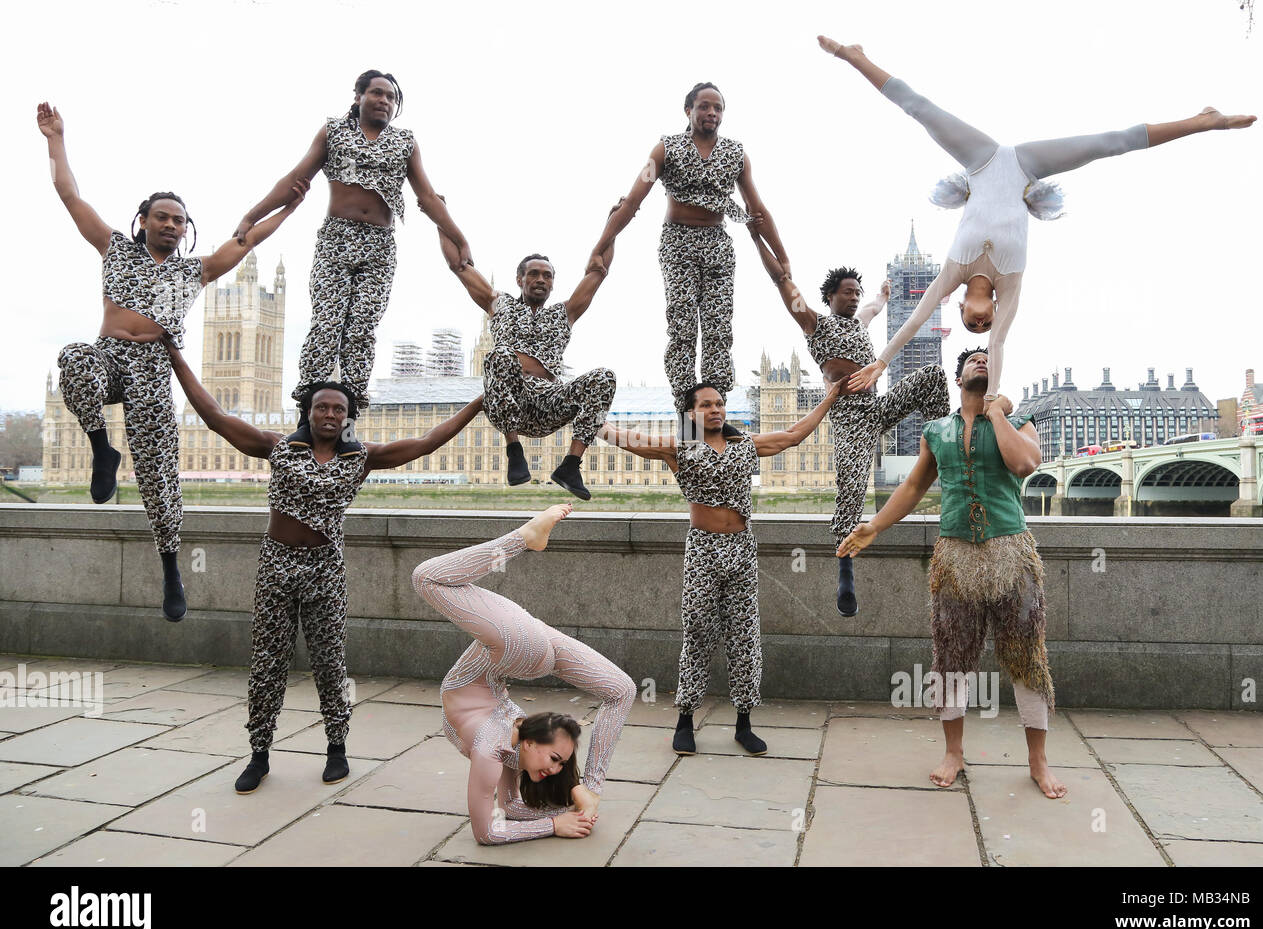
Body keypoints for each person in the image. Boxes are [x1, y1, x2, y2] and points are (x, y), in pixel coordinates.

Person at [816, 36, 1257, 407]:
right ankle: (1205, 123)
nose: (984, 323)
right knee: (1111, 143)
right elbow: (998, 346)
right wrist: (994, 395)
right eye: (985, 323)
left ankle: (854, 55)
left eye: (975, 322)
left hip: (981, 159)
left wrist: (882, 362)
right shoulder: (1009, 282)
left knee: (920, 108)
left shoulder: (953, 271)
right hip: (1027, 168)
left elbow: (913, 322)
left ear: (964, 307)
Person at [166, 344, 484, 792]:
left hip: (324, 569)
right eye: (322, 407)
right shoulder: (276, 446)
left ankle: (337, 747)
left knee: (329, 661)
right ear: (308, 412)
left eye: (339, 408)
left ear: (349, 416)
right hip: (276, 564)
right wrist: (176, 357)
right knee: (266, 662)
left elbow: (427, 442)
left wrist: (478, 402)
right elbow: (216, 416)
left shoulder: (362, 457)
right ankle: (259, 754)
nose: (330, 414)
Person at [38, 101, 306, 622]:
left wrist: (288, 210)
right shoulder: (115, 248)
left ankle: (170, 569)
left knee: (161, 477)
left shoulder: (193, 272)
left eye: (179, 220)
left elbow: (245, 240)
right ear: (143, 220)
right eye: (162, 216)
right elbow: (68, 194)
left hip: (153, 371)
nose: (171, 225)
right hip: (110, 356)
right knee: (73, 359)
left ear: (186, 229)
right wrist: (55, 138)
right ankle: (101, 449)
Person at [838, 347, 1066, 798]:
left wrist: (996, 411)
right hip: (955, 557)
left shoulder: (1020, 424)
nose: (981, 362)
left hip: (1011, 553)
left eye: (989, 359)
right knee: (952, 660)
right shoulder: (935, 431)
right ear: (957, 375)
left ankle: (1038, 761)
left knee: (1027, 660)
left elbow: (1024, 464)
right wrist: (874, 527)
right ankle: (953, 753)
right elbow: (914, 486)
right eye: (973, 359)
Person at [599, 379, 844, 756]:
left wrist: (829, 396)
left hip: (742, 549)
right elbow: (625, 436)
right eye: (706, 405)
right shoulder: (679, 448)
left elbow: (794, 435)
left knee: (745, 635)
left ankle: (744, 723)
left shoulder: (745, 446)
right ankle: (685, 720)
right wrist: (585, 415)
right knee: (698, 631)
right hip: (703, 549)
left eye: (719, 404)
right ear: (690, 414)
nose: (715, 410)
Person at [234, 69, 472, 446]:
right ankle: (305, 417)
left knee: (361, 331)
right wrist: (251, 215)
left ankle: (348, 425)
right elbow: (296, 178)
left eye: (391, 97)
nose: (384, 101)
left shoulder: (405, 144)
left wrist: (459, 237)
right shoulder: (333, 133)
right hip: (336, 239)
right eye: (377, 94)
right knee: (326, 326)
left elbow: (427, 199)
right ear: (358, 96)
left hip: (379, 245)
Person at [749, 225, 950, 616]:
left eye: (857, 293)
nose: (855, 298)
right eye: (848, 292)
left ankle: (945, 447)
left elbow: (874, 305)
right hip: (851, 418)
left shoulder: (862, 322)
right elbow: (781, 281)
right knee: (852, 487)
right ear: (830, 296)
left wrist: (882, 296)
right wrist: (759, 239)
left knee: (933, 377)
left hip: (878, 408)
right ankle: (845, 569)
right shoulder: (815, 324)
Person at [411, 505, 636, 844]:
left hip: (518, 646)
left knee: (425, 578)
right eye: (558, 761)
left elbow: (489, 829)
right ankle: (594, 789)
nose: (557, 770)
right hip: (521, 645)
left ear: (529, 742)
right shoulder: (507, 744)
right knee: (623, 690)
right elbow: (508, 811)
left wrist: (569, 806)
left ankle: (523, 538)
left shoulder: (494, 747)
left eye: (558, 761)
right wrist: (560, 816)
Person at [586, 82, 790, 430]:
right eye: (705, 107)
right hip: (678, 243)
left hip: (718, 245)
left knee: (718, 330)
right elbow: (632, 202)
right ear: (688, 111)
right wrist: (600, 245)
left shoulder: (736, 155)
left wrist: (783, 259)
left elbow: (757, 210)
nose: (712, 113)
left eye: (718, 108)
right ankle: (687, 416)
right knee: (682, 330)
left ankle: (714, 412)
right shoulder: (667, 149)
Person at [439, 221, 618, 500]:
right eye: (533, 274)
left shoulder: (564, 314)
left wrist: (614, 224)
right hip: (512, 404)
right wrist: (439, 216)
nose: (541, 280)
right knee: (500, 354)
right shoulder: (501, 305)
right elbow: (459, 265)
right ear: (519, 279)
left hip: (550, 404)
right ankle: (514, 450)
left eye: (547, 276)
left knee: (605, 377)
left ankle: (570, 466)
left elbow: (598, 271)